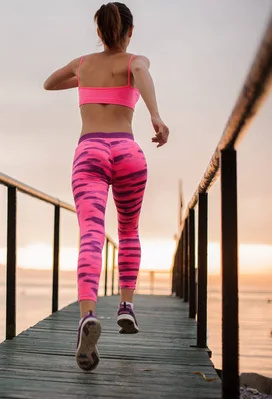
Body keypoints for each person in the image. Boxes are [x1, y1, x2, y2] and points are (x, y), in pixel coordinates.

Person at [43, 2, 169, 372]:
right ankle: (126, 307)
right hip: (129, 151)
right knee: (128, 230)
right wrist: (156, 115)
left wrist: (82, 80)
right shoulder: (134, 61)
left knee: (92, 234)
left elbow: (49, 82)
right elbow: (142, 71)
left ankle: (87, 315)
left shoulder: (83, 64)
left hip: (91, 151)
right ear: (130, 31)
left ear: (99, 32)